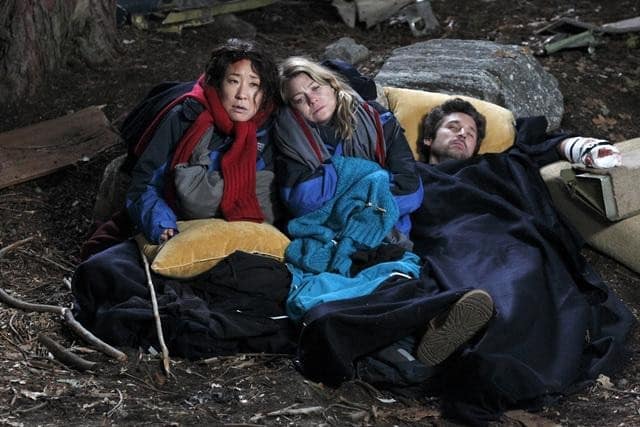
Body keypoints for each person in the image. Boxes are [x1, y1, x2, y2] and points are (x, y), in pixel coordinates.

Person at [291, 98, 635, 425]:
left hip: (504, 238)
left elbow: (544, 146)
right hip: (443, 243)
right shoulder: (409, 176)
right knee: (442, 282)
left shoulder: (495, 165)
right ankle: (460, 346)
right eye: (453, 127)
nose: (462, 134)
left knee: (522, 274)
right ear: (428, 139)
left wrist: (586, 148)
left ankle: (476, 354)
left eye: (470, 133)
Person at [71, 39, 296, 360]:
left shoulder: (274, 128)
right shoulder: (186, 118)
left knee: (265, 293)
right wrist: (161, 224)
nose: (243, 95)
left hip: (240, 246)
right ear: (218, 84)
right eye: (234, 81)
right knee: (100, 272)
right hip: (178, 230)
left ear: (266, 91)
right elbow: (145, 185)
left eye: (254, 85)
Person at [273, 58, 495, 378]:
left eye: (315, 88)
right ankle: (426, 327)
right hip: (328, 238)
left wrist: (349, 187)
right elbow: (303, 201)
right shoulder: (291, 137)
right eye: (299, 99)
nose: (311, 99)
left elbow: (410, 192)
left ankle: (417, 336)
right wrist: (370, 179)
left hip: (384, 237)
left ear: (332, 86)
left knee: (389, 281)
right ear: (292, 108)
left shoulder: (380, 123)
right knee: (322, 307)